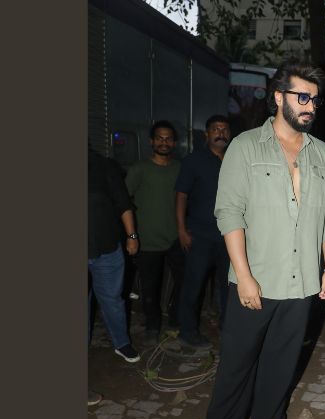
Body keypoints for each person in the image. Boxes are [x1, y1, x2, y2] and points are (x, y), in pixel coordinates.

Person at [190, 62, 325, 419]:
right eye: (302, 97)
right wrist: (244, 276)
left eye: (315, 100)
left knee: (282, 361)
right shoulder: (245, 147)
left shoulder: (322, 153)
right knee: (237, 364)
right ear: (278, 97)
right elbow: (228, 213)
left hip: (302, 282)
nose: (310, 106)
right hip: (254, 280)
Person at [174, 114, 232, 350]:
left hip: (230, 235)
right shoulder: (194, 161)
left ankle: (228, 327)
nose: (221, 133)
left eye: (225, 129)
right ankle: (187, 332)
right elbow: (181, 195)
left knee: (229, 285)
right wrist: (181, 230)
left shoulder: (236, 159)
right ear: (207, 134)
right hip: (200, 235)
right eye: (216, 129)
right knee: (194, 285)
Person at [124, 120, 184, 345]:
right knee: (150, 287)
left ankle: (175, 319)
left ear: (174, 143)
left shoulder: (180, 168)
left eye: (168, 138)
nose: (164, 142)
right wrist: (131, 235)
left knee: (184, 281)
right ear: (151, 141)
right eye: (159, 138)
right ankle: (152, 326)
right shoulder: (139, 169)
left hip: (176, 238)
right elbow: (124, 202)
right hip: (147, 240)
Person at [88, 146, 141, 364]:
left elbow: (123, 203)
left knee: (112, 300)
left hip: (107, 248)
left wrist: (132, 235)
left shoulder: (104, 165)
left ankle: (121, 343)